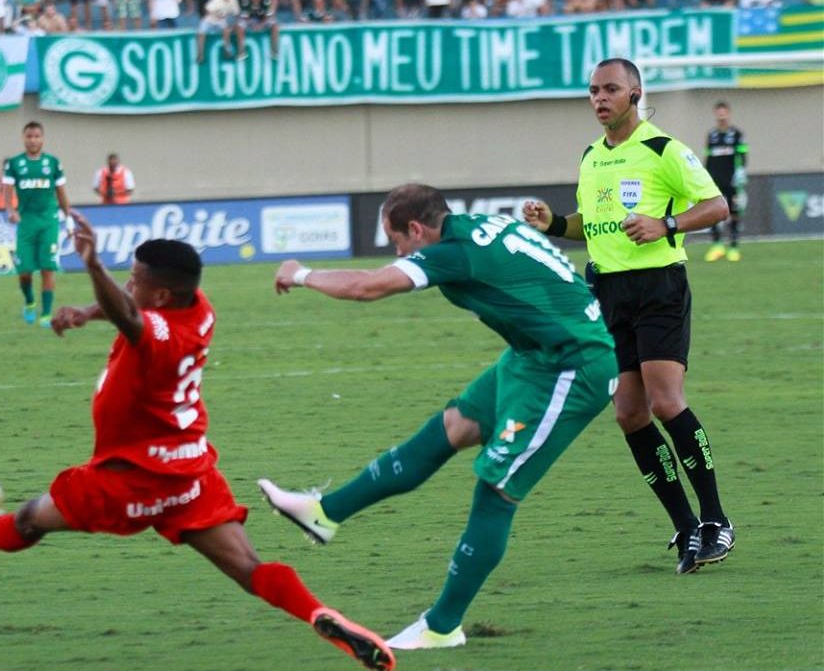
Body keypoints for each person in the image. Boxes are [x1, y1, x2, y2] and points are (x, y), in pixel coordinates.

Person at [0, 213, 395, 671]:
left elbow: (133, 318)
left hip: (129, 481)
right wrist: (87, 313)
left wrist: (91, 265)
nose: (128, 282)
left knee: (28, 520)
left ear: (158, 297)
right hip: (190, 475)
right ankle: (317, 613)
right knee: (249, 568)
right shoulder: (198, 311)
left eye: (134, 279)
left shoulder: (156, 335)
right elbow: (130, 310)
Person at [259, 183, 618, 649]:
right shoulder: (484, 226)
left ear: (415, 228)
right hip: (535, 355)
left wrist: (300, 272)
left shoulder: (455, 251)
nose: (399, 252)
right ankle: (325, 513)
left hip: (573, 366)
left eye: (398, 241)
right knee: (456, 426)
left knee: (497, 487)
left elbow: (368, 287)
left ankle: (443, 626)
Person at [522, 58, 735, 575]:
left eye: (611, 89)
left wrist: (665, 223)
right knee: (628, 414)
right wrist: (552, 223)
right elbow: (588, 227)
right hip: (608, 293)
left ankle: (716, 522)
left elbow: (717, 206)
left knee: (665, 403)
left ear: (635, 94)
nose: (600, 98)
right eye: (593, 90)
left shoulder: (664, 150)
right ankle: (685, 526)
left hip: (658, 286)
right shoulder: (592, 155)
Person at [2, 121, 72, 329]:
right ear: (24, 138)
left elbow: (62, 194)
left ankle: (47, 314)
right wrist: (10, 210)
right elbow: (6, 189)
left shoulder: (53, 163)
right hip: (26, 224)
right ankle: (30, 301)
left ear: (42, 139)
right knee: (24, 271)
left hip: (49, 223)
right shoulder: (14, 164)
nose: (33, 140)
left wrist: (69, 221)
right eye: (29, 136)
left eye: (36, 136)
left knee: (48, 269)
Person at [704, 101, 748, 262]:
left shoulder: (737, 134)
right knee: (714, 212)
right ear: (716, 114)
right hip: (715, 181)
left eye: (724, 112)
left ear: (728, 113)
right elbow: (708, 157)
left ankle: (734, 246)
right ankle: (717, 246)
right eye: (719, 112)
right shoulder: (712, 135)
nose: (721, 115)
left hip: (732, 181)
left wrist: (741, 172)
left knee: (734, 212)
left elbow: (742, 155)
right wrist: (705, 175)